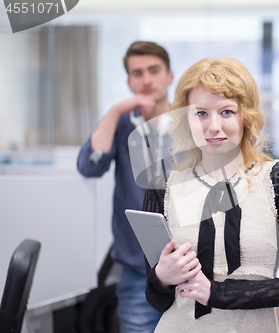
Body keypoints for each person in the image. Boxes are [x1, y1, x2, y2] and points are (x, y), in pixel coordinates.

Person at [142, 57, 279, 332]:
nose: (213, 126)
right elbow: (157, 300)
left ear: (245, 115)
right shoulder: (162, 186)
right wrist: (161, 278)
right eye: (200, 113)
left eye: (226, 112)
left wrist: (216, 294)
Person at [77, 41, 174, 332]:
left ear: (169, 76)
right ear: (129, 81)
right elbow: (89, 166)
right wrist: (116, 110)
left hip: (192, 266)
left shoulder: (193, 122)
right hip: (137, 270)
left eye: (154, 70)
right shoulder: (120, 124)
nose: (146, 79)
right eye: (137, 72)